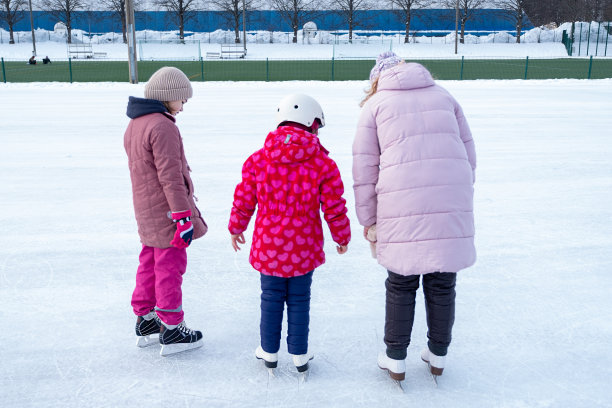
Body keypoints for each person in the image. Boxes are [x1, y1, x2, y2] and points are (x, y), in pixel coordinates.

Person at [352, 52, 476, 382]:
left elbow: (364, 167)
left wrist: (368, 218)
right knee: (442, 283)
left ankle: (395, 357)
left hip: (399, 203)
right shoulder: (444, 95)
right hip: (450, 196)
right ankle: (438, 353)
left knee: (401, 283)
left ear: (377, 79)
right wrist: (458, 191)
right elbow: (468, 150)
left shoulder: (375, 106)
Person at [229, 94, 351, 374]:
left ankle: (269, 351)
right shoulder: (322, 163)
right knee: (299, 299)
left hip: (268, 246)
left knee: (271, 297)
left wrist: (236, 227)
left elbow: (244, 198)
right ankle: (299, 354)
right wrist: (341, 236)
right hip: (303, 248)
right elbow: (334, 205)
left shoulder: (258, 159)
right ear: (312, 124)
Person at [124, 66, 208, 356]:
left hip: (146, 210)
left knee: (148, 262)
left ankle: (146, 320)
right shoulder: (163, 126)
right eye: (182, 100)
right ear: (168, 96)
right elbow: (170, 177)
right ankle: (172, 328)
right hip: (167, 211)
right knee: (169, 268)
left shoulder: (136, 124)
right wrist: (183, 216)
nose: (183, 107)